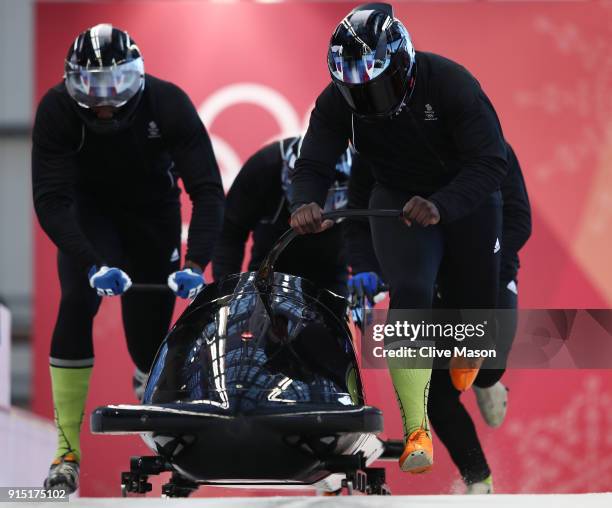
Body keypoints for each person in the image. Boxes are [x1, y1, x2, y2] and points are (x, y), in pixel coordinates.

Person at [289, 3, 508, 474]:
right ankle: (416, 430)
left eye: (379, 87)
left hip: (466, 199)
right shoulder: (335, 104)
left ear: (403, 65)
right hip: (399, 196)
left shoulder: (451, 83)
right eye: (356, 93)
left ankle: (485, 370)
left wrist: (443, 205)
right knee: (410, 291)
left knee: (476, 333)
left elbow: (492, 163)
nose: (370, 102)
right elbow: (313, 164)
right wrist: (304, 203)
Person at [31, 24, 224, 493]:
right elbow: (52, 201)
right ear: (72, 83)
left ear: (135, 76)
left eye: (114, 84)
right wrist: (93, 261)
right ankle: (65, 451)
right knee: (77, 299)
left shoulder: (168, 103)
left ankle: (161, 421)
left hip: (151, 218)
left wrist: (194, 266)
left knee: (148, 344)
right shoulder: (57, 109)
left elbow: (208, 191)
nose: (104, 100)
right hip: (89, 214)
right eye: (91, 87)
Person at [347, 142, 531, 492]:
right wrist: (367, 266)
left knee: (488, 363)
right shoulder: (377, 145)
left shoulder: (482, 137)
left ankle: (488, 382)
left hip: (484, 270)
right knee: (434, 393)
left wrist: (475, 261)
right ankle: (479, 479)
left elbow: (519, 219)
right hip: (427, 275)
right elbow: (360, 218)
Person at [212, 136, 354, 297]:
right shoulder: (264, 166)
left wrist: (367, 272)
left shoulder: (361, 175)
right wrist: (227, 289)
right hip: (269, 270)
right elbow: (230, 230)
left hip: (330, 273)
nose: (320, 205)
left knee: (361, 315)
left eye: (328, 197)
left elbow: (373, 230)